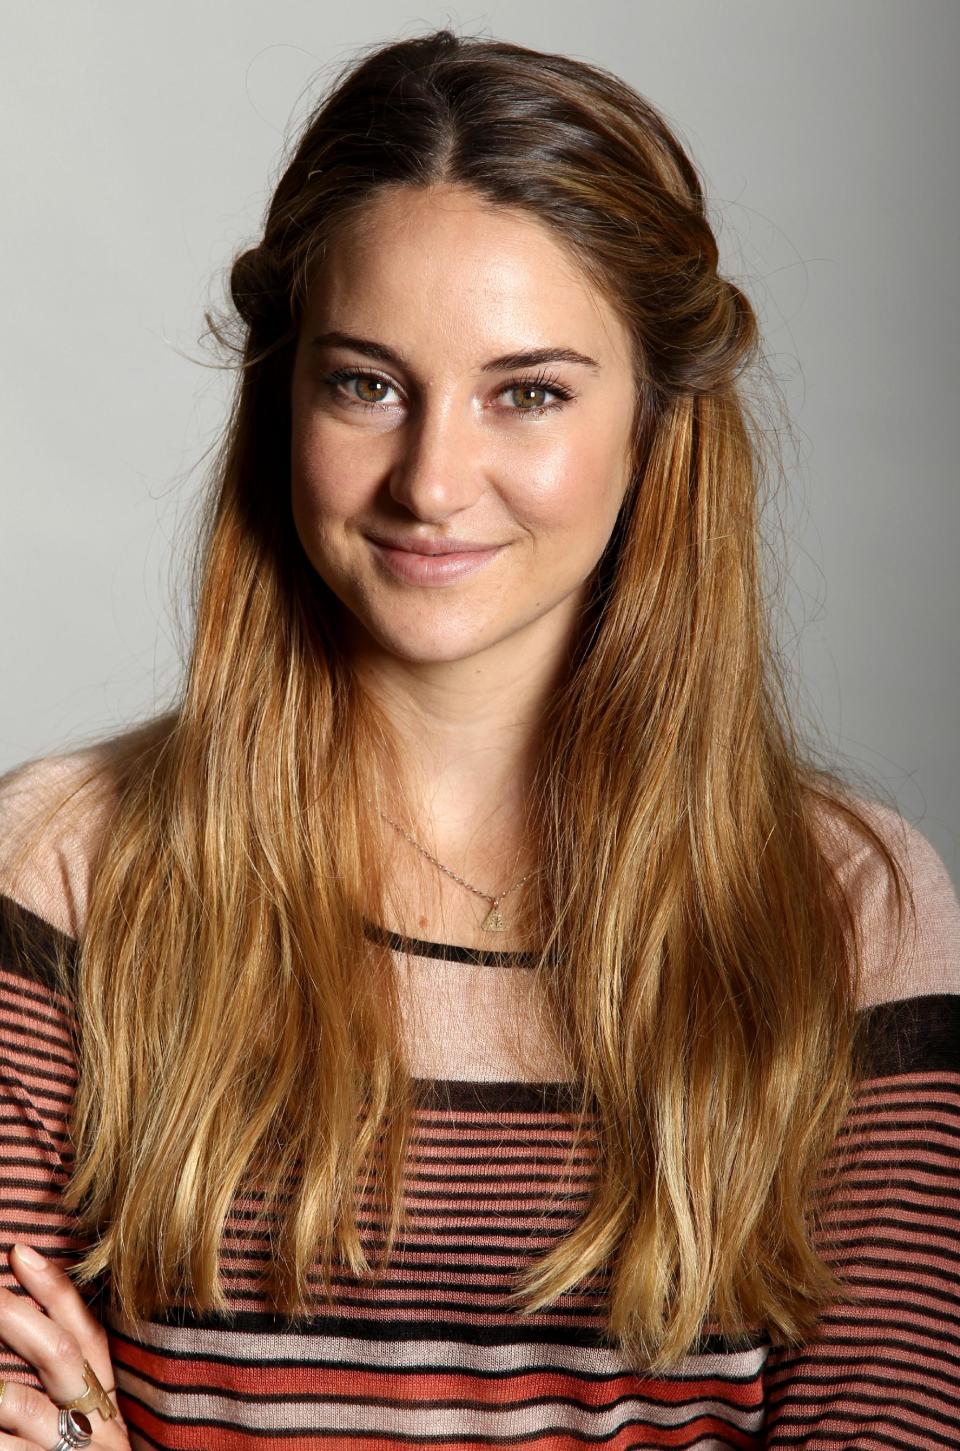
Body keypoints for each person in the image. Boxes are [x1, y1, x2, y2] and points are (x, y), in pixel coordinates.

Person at [0, 24, 958, 1451]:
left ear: (655, 424)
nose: (433, 480)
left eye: (531, 392)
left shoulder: (846, 904)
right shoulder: (66, 864)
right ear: (283, 402)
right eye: (367, 384)